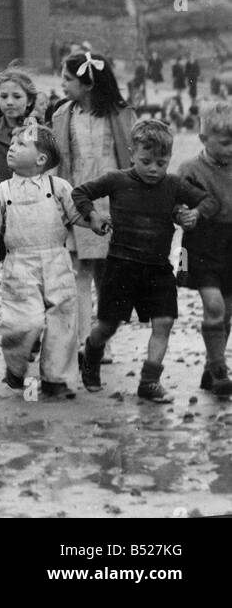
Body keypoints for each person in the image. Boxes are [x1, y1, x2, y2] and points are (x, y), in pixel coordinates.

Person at [75, 120, 215, 402]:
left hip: (158, 268)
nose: (154, 169)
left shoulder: (174, 185)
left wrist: (195, 214)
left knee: (164, 322)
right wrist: (93, 217)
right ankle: (90, 354)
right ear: (132, 155)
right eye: (146, 161)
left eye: (161, 163)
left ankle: (149, 382)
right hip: (120, 267)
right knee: (108, 325)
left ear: (170, 159)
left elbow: (209, 201)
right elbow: (80, 192)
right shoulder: (116, 179)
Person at [0, 124, 81, 400]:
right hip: (19, 263)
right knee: (24, 322)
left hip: (57, 259)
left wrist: (96, 222)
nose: (12, 147)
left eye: (21, 144)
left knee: (62, 319)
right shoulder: (0, 192)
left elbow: (77, 216)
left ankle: (55, 378)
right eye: (12, 142)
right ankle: (15, 364)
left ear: (41, 159)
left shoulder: (59, 187)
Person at [51, 51, 136, 350]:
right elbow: (57, 161)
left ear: (87, 84)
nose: (62, 84)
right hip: (79, 200)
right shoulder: (62, 115)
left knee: (108, 273)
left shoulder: (122, 114)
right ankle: (84, 339)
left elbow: (134, 158)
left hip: (115, 202)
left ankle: (103, 341)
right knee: (82, 269)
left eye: (67, 79)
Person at [176, 101, 232, 397]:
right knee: (213, 305)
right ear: (203, 139)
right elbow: (175, 204)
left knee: (226, 312)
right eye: (225, 142)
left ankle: (212, 368)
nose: (231, 148)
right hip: (200, 245)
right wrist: (183, 214)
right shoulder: (190, 170)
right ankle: (220, 368)